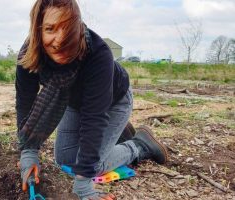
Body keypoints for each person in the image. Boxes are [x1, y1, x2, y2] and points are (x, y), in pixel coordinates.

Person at [15, 0, 168, 199]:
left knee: (92, 166)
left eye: (68, 28)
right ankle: (118, 131)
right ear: (37, 29)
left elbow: (94, 117)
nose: (60, 39)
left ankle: (140, 144)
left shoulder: (98, 53)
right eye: (50, 29)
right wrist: (28, 152)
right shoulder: (29, 54)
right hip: (72, 101)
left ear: (78, 26)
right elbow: (25, 103)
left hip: (112, 103)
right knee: (65, 160)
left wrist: (83, 185)